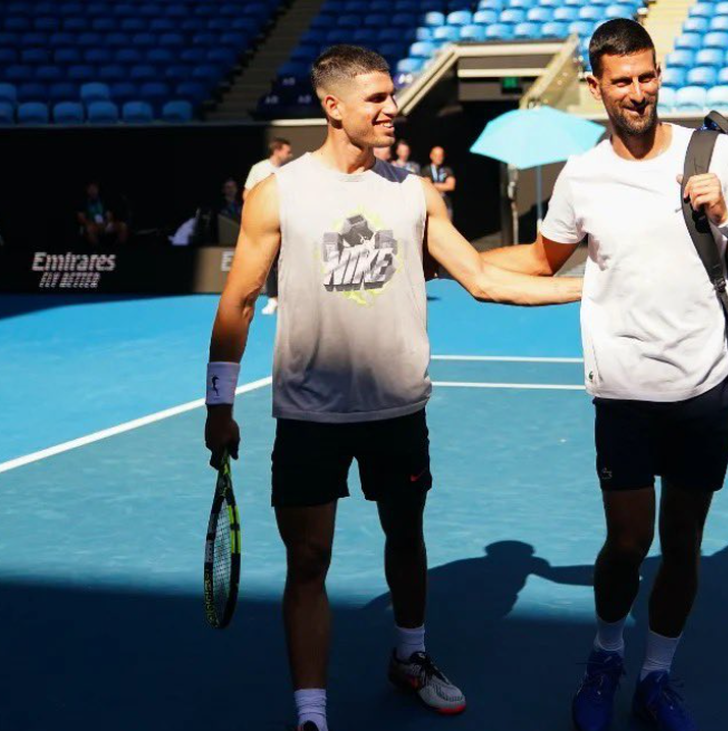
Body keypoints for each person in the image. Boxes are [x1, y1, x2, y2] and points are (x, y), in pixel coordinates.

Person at [202, 44, 582, 731]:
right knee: (308, 559)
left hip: (396, 410)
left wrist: (590, 288)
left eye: (391, 95)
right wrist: (218, 403)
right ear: (333, 106)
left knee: (405, 535)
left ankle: (411, 655)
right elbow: (237, 301)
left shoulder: (413, 189)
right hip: (308, 416)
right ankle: (311, 713)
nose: (391, 108)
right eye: (375, 98)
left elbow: (483, 277)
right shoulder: (279, 193)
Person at [480, 18, 728, 731]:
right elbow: (540, 260)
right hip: (621, 394)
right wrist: (452, 262)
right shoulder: (581, 176)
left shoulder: (710, 154)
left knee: (682, 544)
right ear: (595, 87)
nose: (639, 92)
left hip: (706, 386)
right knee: (626, 543)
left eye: (648, 77)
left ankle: (657, 674)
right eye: (622, 81)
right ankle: (606, 652)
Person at [245, 136, 294, 315]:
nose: (290, 155)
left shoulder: (290, 170)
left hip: (287, 223)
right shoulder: (259, 169)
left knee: (287, 261)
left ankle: (289, 299)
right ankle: (273, 299)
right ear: (277, 150)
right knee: (270, 261)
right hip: (266, 223)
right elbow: (247, 194)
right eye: (287, 151)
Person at [76, 181, 128, 245]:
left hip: (105, 224)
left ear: (98, 190)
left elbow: (109, 215)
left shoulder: (104, 200)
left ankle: (119, 247)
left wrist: (105, 223)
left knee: (123, 226)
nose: (93, 191)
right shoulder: (82, 202)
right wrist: (93, 224)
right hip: (92, 225)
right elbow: (81, 219)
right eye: (90, 189)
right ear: (87, 191)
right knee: (89, 229)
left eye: (94, 188)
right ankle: (98, 249)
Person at [425, 146, 455, 219]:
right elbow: (427, 186)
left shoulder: (447, 170)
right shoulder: (425, 170)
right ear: (431, 156)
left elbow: (451, 186)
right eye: (436, 155)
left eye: (441, 155)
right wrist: (443, 186)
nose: (439, 157)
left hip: (446, 205)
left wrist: (434, 185)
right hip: (431, 205)